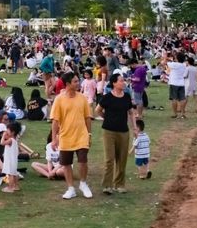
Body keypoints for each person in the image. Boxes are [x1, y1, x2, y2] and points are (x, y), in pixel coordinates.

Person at [50, 72, 93, 200]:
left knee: (83, 161)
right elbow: (55, 121)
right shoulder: (59, 99)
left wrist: (89, 134)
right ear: (68, 84)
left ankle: (83, 183)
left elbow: (88, 118)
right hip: (65, 136)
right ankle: (70, 188)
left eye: (77, 81)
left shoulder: (82, 98)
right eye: (75, 81)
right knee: (66, 164)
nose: (78, 83)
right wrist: (54, 139)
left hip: (82, 135)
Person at [95, 73, 137, 195]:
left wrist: (134, 128)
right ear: (114, 83)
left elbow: (131, 112)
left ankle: (119, 184)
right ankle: (107, 185)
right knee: (109, 159)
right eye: (120, 81)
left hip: (123, 131)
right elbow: (97, 110)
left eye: (123, 80)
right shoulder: (107, 97)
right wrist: (106, 118)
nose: (123, 82)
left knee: (122, 159)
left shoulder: (126, 97)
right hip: (109, 131)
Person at [0, 121, 22, 193]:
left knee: (10, 174)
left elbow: (2, 143)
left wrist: (3, 136)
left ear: (12, 132)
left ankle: (10, 187)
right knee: (14, 173)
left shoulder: (10, 140)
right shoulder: (15, 140)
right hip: (13, 160)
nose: (6, 131)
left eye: (8, 130)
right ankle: (16, 186)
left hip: (10, 160)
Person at [166, 52, 189, 119]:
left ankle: (175, 113)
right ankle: (182, 114)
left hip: (174, 83)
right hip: (181, 83)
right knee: (182, 99)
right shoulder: (184, 65)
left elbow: (164, 62)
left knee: (174, 98)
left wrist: (166, 57)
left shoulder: (174, 64)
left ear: (177, 58)